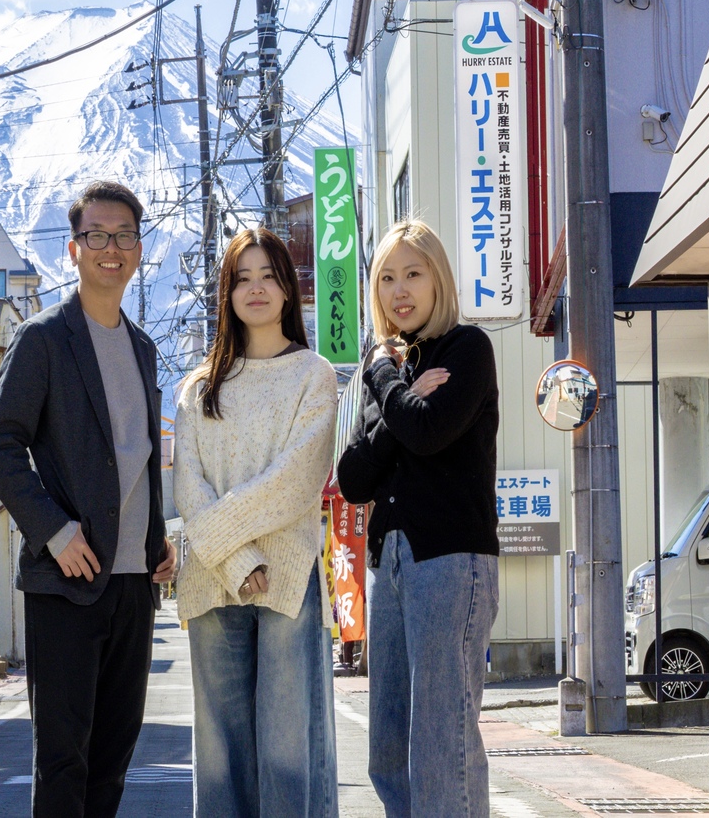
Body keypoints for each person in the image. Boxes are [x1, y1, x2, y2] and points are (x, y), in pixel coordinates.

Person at [0, 180, 177, 818]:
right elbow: (0, 446)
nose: (110, 247)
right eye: (97, 235)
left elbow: (138, 462)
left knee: (115, 757)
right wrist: (55, 532)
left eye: (123, 235)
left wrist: (157, 541)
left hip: (132, 586)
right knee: (64, 758)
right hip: (66, 582)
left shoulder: (145, 351)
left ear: (139, 249)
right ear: (74, 249)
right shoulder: (43, 340)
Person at [337, 219, 500, 817]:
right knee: (388, 744)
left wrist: (384, 380)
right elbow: (354, 478)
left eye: (413, 273)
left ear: (439, 279)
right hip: (394, 562)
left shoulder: (466, 348)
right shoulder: (394, 369)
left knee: (439, 743)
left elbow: (428, 433)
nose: (398, 290)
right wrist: (400, 398)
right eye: (385, 277)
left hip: (451, 559)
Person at [174, 227, 339, 817]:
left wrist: (248, 556)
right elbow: (187, 488)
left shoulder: (315, 375)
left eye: (269, 274)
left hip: (288, 579)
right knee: (219, 754)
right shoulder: (198, 386)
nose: (257, 288)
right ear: (226, 294)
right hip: (213, 579)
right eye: (242, 278)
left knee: (287, 749)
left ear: (289, 290)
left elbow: (294, 483)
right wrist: (241, 560)